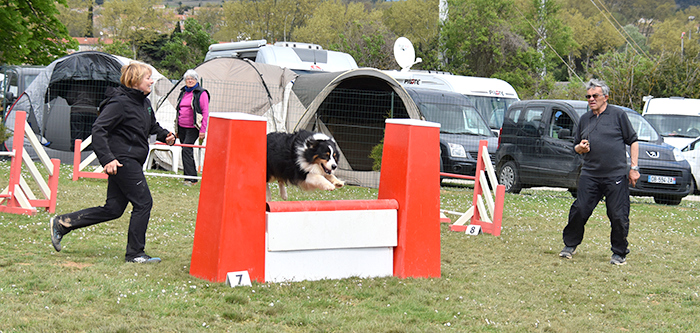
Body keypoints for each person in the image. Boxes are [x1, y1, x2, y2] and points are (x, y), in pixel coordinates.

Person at [49, 62, 176, 264]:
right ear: (135, 80)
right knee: (143, 203)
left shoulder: (144, 102)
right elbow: (99, 130)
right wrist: (107, 159)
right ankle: (135, 254)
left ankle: (63, 223)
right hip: (122, 160)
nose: (151, 81)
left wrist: (165, 135)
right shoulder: (119, 103)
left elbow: (152, 125)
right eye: (148, 78)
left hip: (131, 159)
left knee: (113, 209)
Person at [559, 79, 639, 265]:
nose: (591, 99)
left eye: (595, 96)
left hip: (615, 175)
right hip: (590, 174)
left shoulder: (618, 115)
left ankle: (619, 253)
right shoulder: (584, 119)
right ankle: (569, 245)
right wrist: (581, 147)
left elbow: (633, 141)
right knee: (580, 209)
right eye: (588, 96)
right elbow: (576, 147)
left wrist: (634, 168)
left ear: (606, 97)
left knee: (618, 215)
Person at [175, 69, 209, 186]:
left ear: (196, 80)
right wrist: (176, 129)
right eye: (187, 79)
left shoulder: (201, 93)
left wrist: (203, 129)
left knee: (186, 149)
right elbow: (178, 109)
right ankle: (187, 177)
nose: (189, 81)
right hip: (181, 126)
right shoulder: (183, 92)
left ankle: (192, 179)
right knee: (185, 151)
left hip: (193, 127)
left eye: (192, 79)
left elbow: (205, 112)